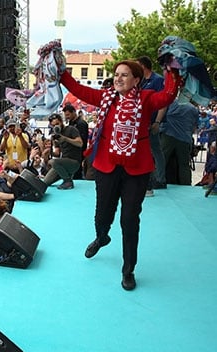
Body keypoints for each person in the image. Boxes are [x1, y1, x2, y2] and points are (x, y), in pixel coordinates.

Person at [60, 58, 182, 291]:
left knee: (129, 219)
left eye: (124, 75)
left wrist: (171, 71)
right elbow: (78, 90)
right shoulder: (105, 97)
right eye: (116, 74)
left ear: (137, 80)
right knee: (102, 213)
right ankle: (102, 236)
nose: (118, 78)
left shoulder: (146, 99)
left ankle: (128, 270)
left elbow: (166, 96)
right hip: (107, 166)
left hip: (136, 169)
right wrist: (62, 73)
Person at [138, 56, 168, 193]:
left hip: (153, 122)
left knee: (155, 150)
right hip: (143, 122)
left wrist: (157, 121)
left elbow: (163, 103)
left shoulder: (157, 81)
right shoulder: (142, 82)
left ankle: (159, 179)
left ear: (143, 66)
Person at [160, 100, 199, 185]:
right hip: (184, 138)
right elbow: (194, 127)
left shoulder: (170, 103)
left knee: (161, 161)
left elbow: (162, 116)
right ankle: (186, 184)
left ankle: (158, 181)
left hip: (168, 135)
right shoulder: (193, 109)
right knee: (184, 165)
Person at [43, 113, 83, 189]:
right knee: (45, 182)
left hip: (74, 162)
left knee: (53, 162)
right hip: (63, 163)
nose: (56, 127)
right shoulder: (56, 135)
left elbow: (80, 143)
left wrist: (65, 139)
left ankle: (68, 181)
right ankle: (66, 178)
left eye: (57, 124)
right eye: (53, 125)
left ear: (61, 121)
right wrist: (48, 152)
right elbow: (57, 154)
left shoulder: (71, 129)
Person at [63, 103, 89, 179]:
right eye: (66, 115)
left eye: (68, 115)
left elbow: (82, 140)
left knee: (77, 171)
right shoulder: (71, 123)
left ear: (74, 112)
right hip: (71, 151)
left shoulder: (81, 124)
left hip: (79, 152)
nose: (67, 117)